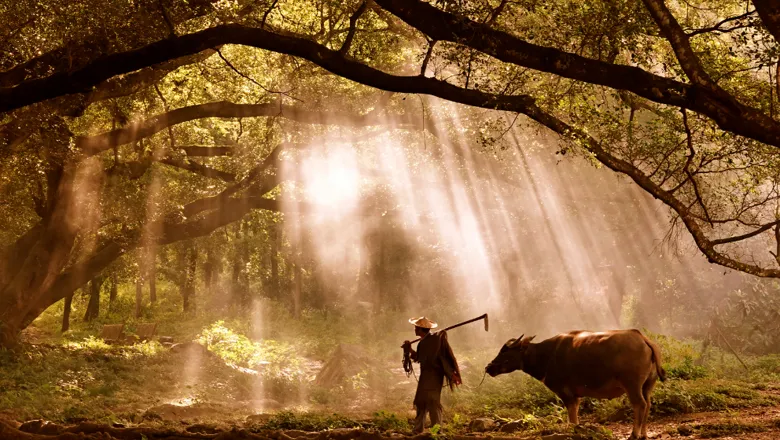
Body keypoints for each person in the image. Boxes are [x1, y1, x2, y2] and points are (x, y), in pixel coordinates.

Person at [403, 316, 462, 434]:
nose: (414, 330)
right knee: (420, 401)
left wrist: (452, 375)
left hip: (434, 376)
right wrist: (409, 350)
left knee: (433, 402)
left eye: (416, 328)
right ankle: (417, 430)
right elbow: (419, 358)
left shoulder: (435, 341)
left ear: (420, 329)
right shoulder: (423, 342)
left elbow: (442, 359)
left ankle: (438, 431)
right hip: (425, 376)